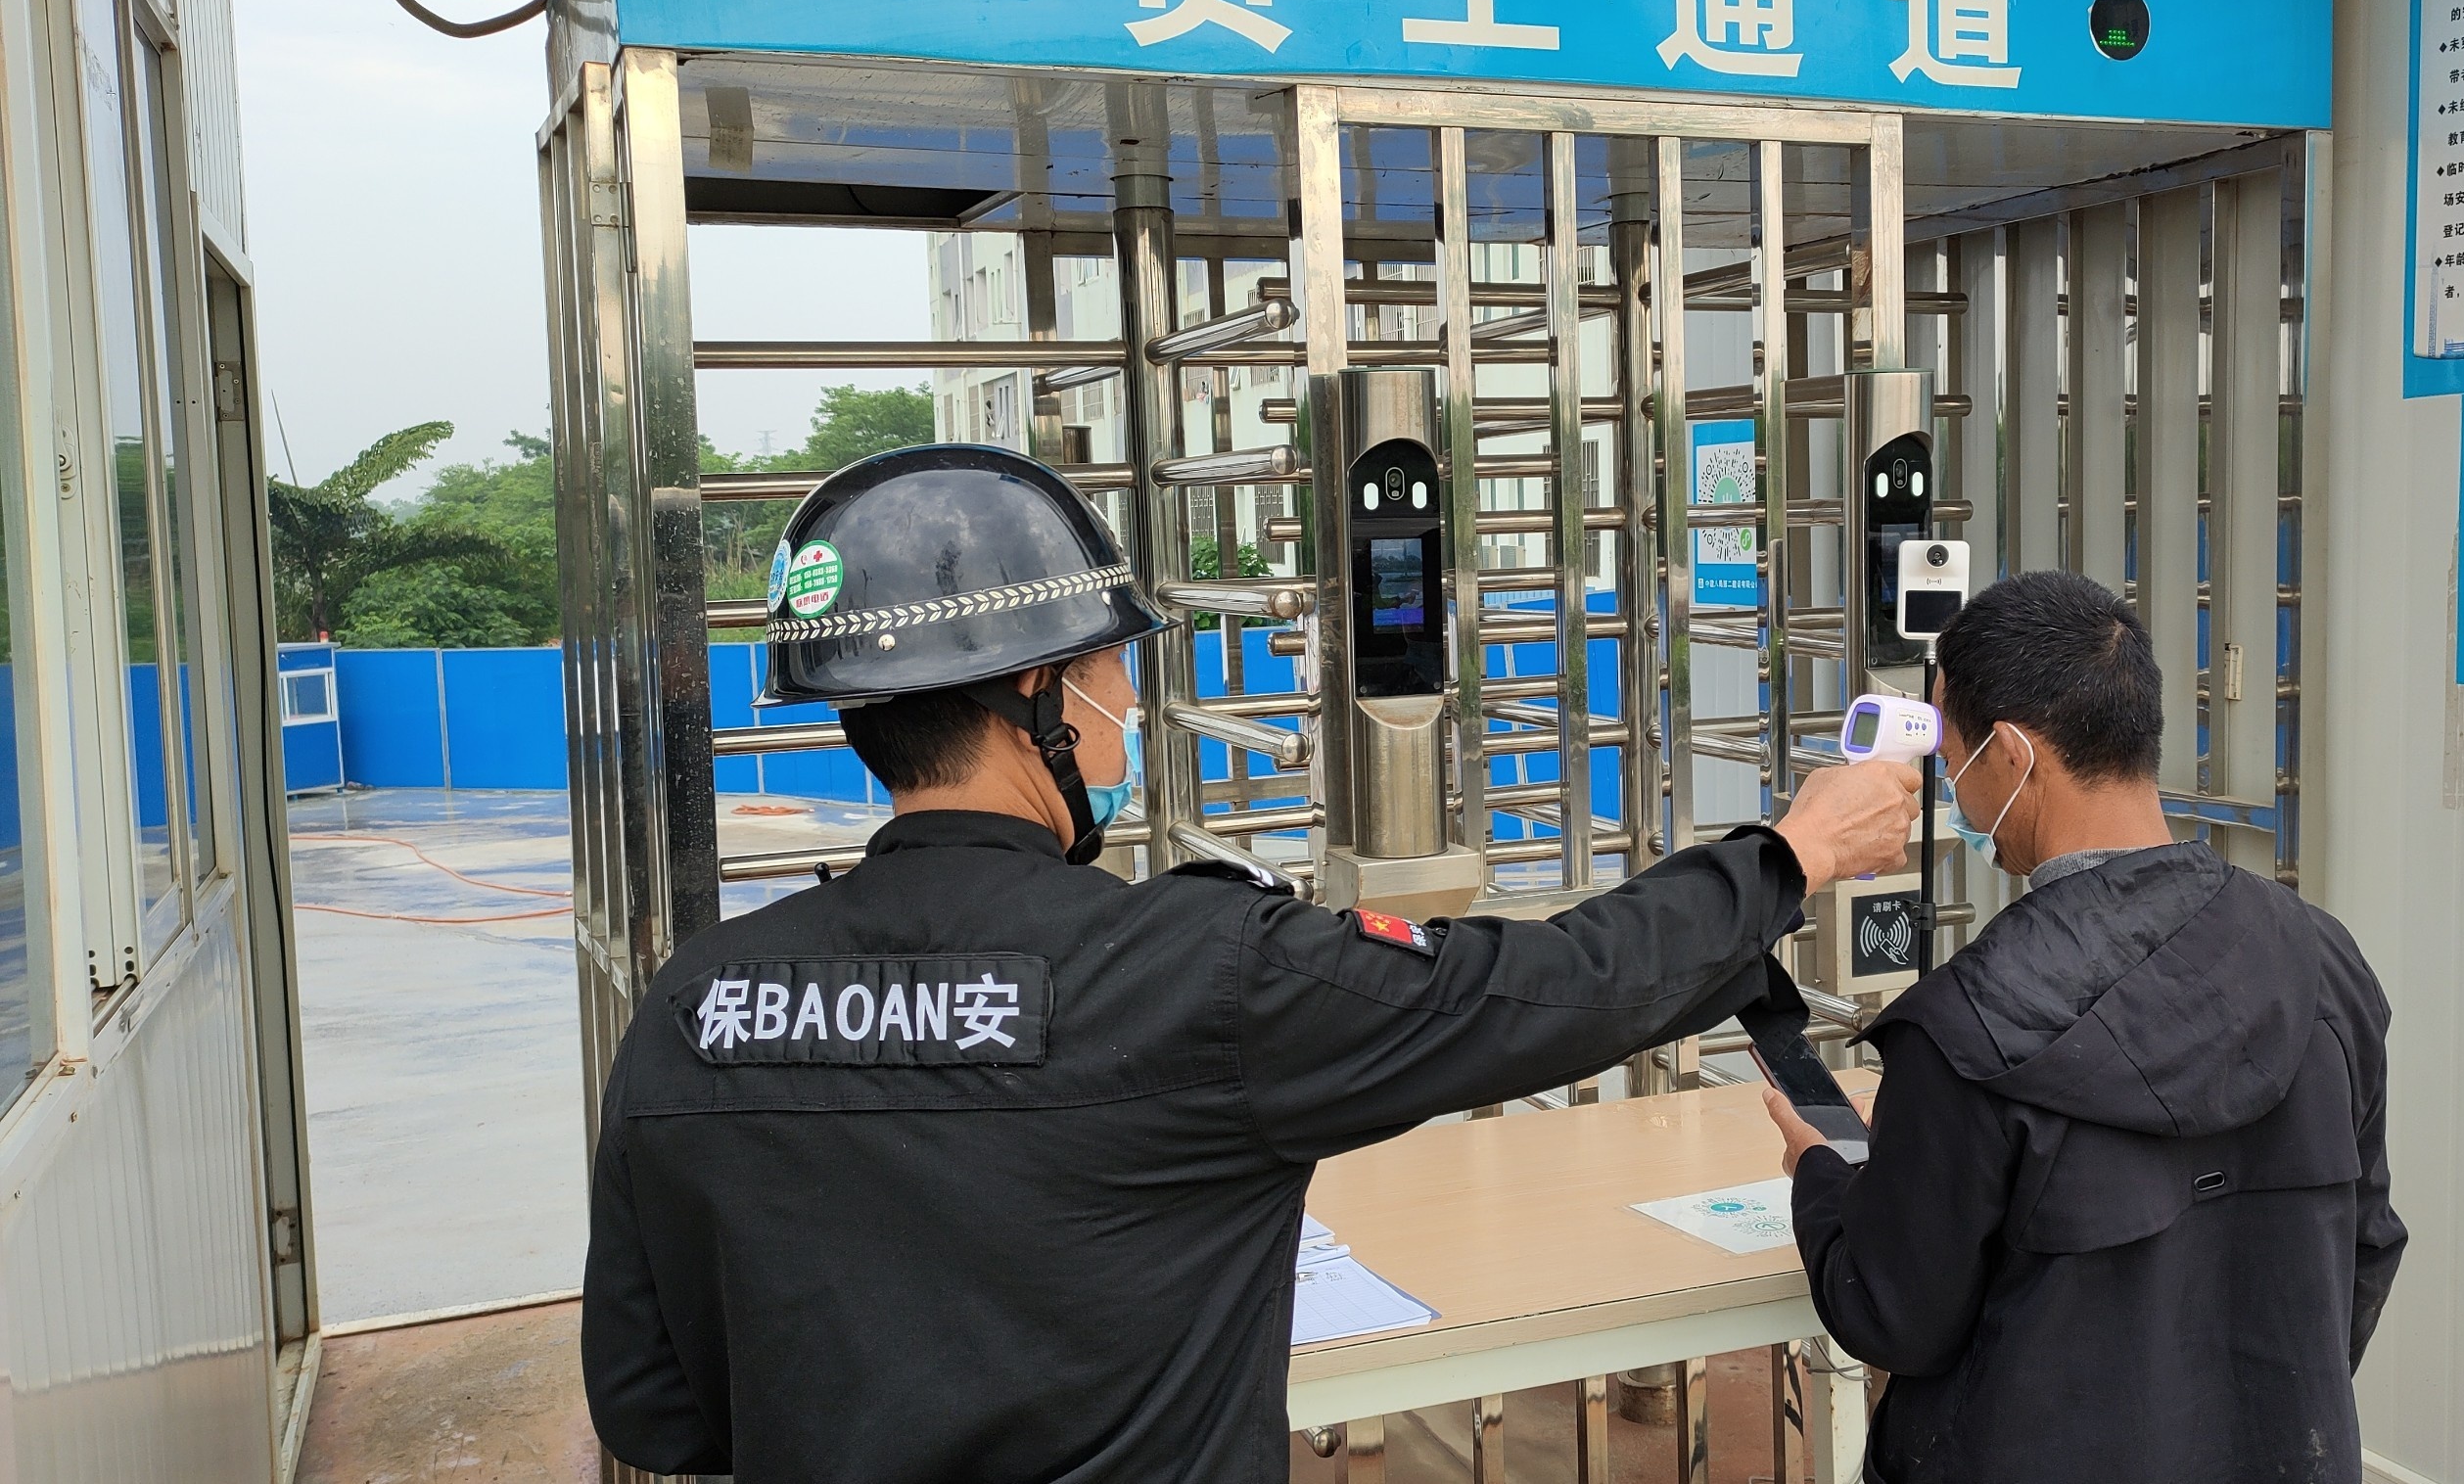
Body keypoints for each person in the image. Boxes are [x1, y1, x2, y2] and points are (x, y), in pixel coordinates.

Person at [581, 444, 1920, 1484]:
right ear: (1037, 690)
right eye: (1109, 665)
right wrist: (1790, 853)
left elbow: (654, 1408)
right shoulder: (1192, 972)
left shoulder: (693, 1009)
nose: (1125, 700)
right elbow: (1546, 988)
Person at [1763, 569, 2402, 1484]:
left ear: (2011, 755)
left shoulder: (1965, 1028)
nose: (1954, 789)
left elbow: (1894, 1312)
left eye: (1953, 754)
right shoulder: (2325, 961)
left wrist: (1824, 1176)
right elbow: (2367, 1243)